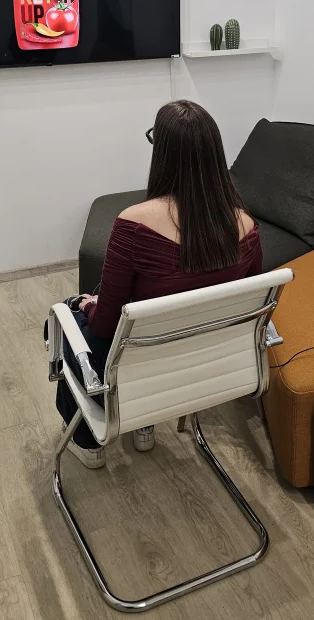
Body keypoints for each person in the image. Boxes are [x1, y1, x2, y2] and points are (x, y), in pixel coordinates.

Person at [55, 99, 262, 468]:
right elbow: (247, 306)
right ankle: (145, 425)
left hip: (135, 374)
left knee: (71, 316)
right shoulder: (246, 225)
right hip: (205, 372)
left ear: (162, 153)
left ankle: (89, 443)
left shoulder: (133, 224)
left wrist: (86, 305)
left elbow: (104, 326)